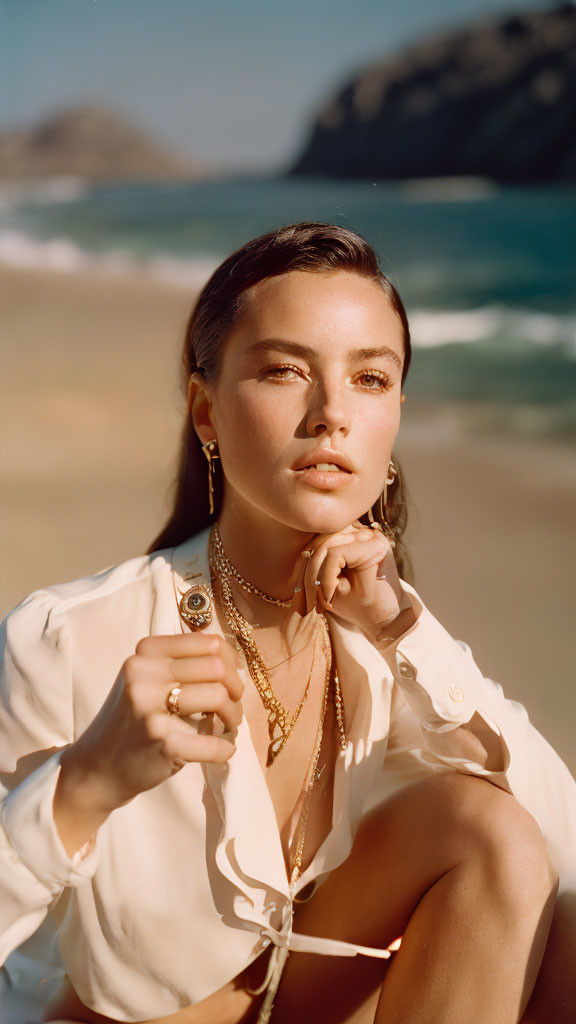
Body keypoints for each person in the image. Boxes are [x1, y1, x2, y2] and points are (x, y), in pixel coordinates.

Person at [0, 222, 575, 1024]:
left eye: (370, 379)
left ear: (395, 417)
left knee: (503, 842)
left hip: (294, 1001)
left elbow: (563, 842)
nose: (331, 413)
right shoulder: (67, 638)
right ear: (206, 411)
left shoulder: (380, 643)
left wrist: (402, 630)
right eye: (283, 372)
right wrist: (86, 784)